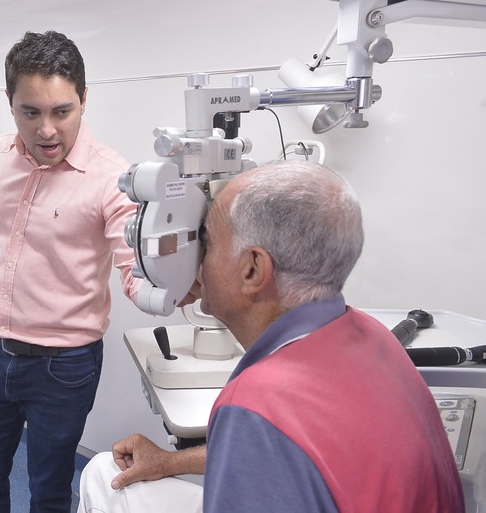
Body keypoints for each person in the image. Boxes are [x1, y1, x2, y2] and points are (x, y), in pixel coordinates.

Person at [78, 160, 465, 512]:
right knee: (102, 472)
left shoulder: (258, 404)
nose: (195, 258)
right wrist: (169, 462)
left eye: (208, 241)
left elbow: (271, 440)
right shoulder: (374, 337)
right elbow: (299, 452)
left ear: (252, 270)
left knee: (101, 480)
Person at [0, 30, 141, 512]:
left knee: (48, 491)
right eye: (30, 112)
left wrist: (175, 283)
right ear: (9, 102)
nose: (47, 130)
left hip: (64, 365)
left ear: (84, 100)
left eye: (61, 112)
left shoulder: (114, 177)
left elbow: (134, 270)